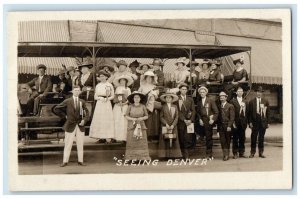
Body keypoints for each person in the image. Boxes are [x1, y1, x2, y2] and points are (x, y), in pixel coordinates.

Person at [53, 86, 90, 167]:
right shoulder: (67, 101)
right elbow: (56, 108)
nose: (77, 92)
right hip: (70, 124)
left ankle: (81, 161)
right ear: (72, 91)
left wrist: (84, 120)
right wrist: (65, 116)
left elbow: (87, 113)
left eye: (78, 90)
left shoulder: (82, 101)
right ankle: (65, 161)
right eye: (75, 90)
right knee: (68, 143)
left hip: (80, 125)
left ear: (80, 92)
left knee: (80, 143)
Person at [89, 70, 115, 144]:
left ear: (106, 77)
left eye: (103, 76)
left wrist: (107, 99)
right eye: (100, 76)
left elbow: (113, 96)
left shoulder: (109, 85)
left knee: (107, 119)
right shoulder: (98, 85)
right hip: (100, 103)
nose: (102, 77)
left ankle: (108, 137)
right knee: (100, 119)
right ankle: (101, 137)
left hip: (107, 104)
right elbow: (95, 96)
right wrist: (100, 98)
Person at [125, 91, 150, 161]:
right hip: (132, 125)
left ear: (140, 99)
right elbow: (126, 116)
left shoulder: (143, 106)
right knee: (132, 140)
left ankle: (142, 158)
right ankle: (131, 157)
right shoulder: (130, 106)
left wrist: (141, 118)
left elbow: (146, 116)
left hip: (141, 125)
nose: (136, 99)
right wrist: (133, 119)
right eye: (135, 97)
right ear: (133, 99)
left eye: (138, 97)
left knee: (141, 141)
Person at [196, 86, 219, 159]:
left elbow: (216, 112)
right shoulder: (199, 103)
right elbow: (198, 113)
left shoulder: (211, 101)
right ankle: (205, 153)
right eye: (201, 92)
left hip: (208, 121)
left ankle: (209, 154)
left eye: (203, 92)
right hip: (202, 121)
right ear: (199, 93)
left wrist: (213, 119)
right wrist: (199, 119)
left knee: (209, 138)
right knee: (202, 137)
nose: (202, 93)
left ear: (206, 93)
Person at [158, 91, 182, 159]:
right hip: (165, 126)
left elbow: (177, 116)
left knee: (174, 140)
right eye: (167, 98)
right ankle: (163, 156)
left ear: (172, 99)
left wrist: (173, 125)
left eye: (170, 98)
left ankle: (174, 155)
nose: (168, 99)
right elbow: (161, 117)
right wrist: (166, 124)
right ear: (165, 99)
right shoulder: (163, 107)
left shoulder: (175, 106)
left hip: (173, 126)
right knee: (164, 140)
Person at [138, 70, 161, 141]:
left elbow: (157, 96)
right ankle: (145, 135)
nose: (149, 79)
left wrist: (153, 94)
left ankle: (152, 136)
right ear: (145, 78)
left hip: (152, 107)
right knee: (145, 120)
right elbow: (138, 95)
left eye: (151, 78)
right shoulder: (142, 86)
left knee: (153, 121)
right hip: (144, 106)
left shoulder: (155, 87)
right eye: (147, 77)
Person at [248, 86, 270, 158]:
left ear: (262, 93)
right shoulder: (251, 102)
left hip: (262, 123)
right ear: (256, 93)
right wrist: (250, 122)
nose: (259, 93)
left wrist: (268, 122)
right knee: (253, 138)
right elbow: (249, 113)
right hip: (254, 123)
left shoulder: (265, 101)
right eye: (258, 92)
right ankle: (252, 152)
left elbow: (268, 113)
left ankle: (261, 153)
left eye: (260, 92)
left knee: (261, 138)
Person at [176, 83, 196, 159]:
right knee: (181, 137)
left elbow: (193, 110)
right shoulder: (177, 99)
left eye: (185, 89)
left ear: (187, 90)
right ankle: (184, 154)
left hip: (189, 122)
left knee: (188, 137)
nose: (184, 91)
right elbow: (177, 111)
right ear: (180, 90)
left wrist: (190, 120)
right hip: (181, 121)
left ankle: (187, 154)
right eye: (182, 89)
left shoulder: (190, 99)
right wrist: (184, 119)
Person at [112, 75, 133, 143]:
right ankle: (115, 137)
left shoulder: (128, 89)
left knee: (124, 121)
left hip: (124, 106)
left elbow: (130, 98)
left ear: (126, 81)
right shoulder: (117, 88)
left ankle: (124, 138)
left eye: (123, 80)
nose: (122, 82)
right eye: (121, 80)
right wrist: (117, 103)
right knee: (117, 120)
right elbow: (115, 97)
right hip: (117, 106)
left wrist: (125, 103)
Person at [230, 87, 248, 158]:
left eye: (241, 91)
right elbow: (231, 113)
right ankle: (235, 153)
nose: (240, 92)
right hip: (235, 122)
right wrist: (233, 122)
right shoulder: (232, 101)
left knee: (242, 138)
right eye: (238, 91)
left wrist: (247, 122)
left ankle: (241, 152)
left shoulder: (245, 101)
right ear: (236, 92)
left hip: (243, 123)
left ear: (243, 92)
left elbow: (247, 112)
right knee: (235, 138)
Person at [217, 91, 235, 161]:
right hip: (221, 126)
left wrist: (229, 126)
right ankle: (225, 154)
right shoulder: (218, 106)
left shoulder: (230, 106)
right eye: (220, 96)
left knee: (227, 140)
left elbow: (232, 117)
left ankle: (227, 154)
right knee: (222, 141)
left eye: (223, 96)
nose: (221, 98)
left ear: (226, 97)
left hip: (227, 126)